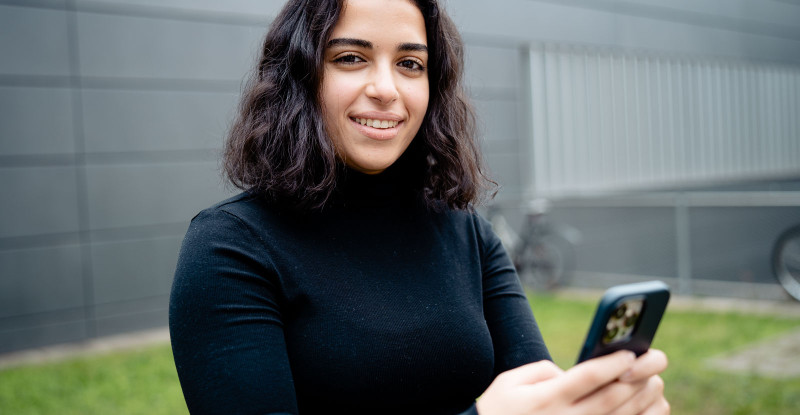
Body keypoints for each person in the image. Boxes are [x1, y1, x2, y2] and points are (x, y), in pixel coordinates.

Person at [168, 0, 670, 414]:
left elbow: (534, 390)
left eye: (410, 64)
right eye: (350, 58)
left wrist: (594, 404)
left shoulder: (466, 233)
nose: (386, 89)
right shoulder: (230, 247)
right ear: (300, 76)